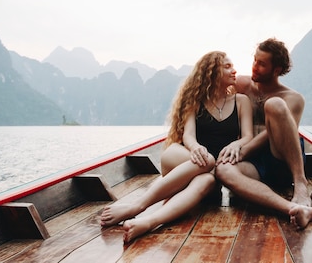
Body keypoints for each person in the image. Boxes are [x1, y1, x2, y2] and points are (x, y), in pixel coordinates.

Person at [100, 51, 253, 243]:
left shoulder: (241, 101)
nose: (234, 70)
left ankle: (148, 222)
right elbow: (188, 135)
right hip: (183, 156)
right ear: (211, 72)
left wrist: (236, 143)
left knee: (207, 180)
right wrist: (196, 147)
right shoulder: (196, 101)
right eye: (227, 66)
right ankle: (136, 207)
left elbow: (248, 136)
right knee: (208, 162)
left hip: (209, 171)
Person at [215, 38, 312, 229]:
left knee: (275, 104)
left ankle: (301, 184)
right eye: (254, 60)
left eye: (261, 64)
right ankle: (292, 209)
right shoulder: (242, 85)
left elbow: (273, 134)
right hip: (254, 164)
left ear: (276, 70)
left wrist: (243, 150)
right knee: (222, 169)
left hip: (281, 160)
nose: (254, 67)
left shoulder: (293, 98)